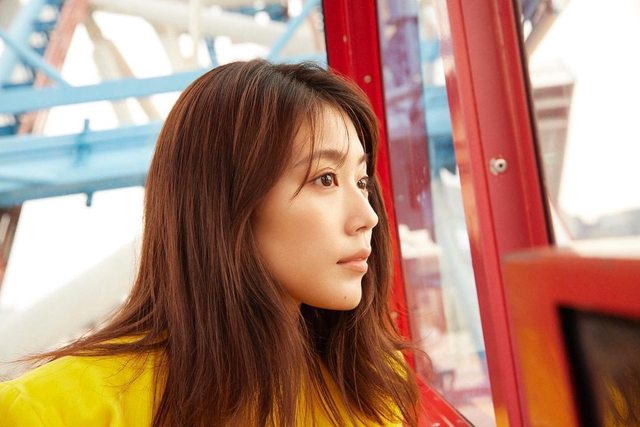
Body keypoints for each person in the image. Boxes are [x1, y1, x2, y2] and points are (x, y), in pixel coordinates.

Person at [0, 60, 421, 426]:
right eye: (325, 179)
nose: (368, 216)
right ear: (226, 203)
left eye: (361, 181)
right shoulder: (51, 412)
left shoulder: (370, 390)